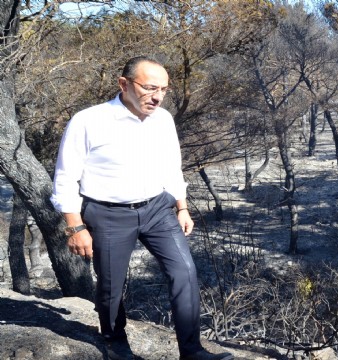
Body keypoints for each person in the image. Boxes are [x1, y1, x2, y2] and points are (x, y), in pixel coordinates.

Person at [51, 56, 233, 360]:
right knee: (111, 285)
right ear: (124, 84)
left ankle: (192, 350)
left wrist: (182, 207)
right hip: (108, 213)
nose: (158, 96)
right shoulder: (88, 120)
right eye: (150, 88)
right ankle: (115, 343)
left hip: (158, 209)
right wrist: (76, 227)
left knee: (184, 271)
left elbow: (172, 167)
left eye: (163, 89)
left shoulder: (163, 120)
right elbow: (65, 177)